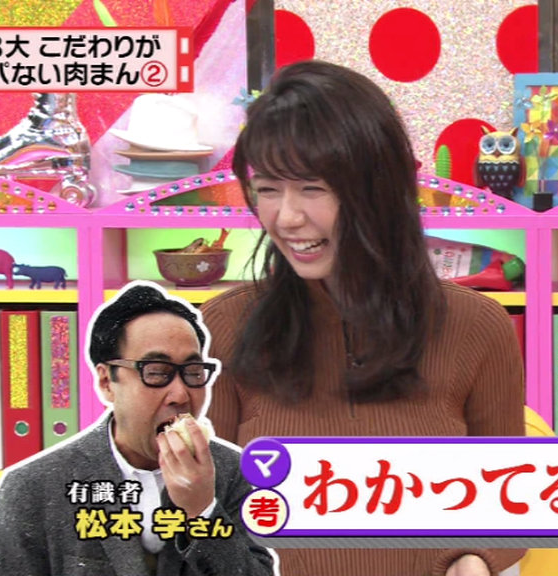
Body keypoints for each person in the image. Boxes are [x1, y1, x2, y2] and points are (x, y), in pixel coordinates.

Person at [201, 60, 527, 576]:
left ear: (378, 189)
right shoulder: (222, 327)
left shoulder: (477, 326)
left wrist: (476, 558)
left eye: (312, 188)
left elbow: (513, 500)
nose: (286, 217)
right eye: (267, 189)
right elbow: (198, 517)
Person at [0, 281, 277, 576]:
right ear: (106, 382)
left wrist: (201, 510)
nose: (180, 395)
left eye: (193, 372)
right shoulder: (31, 488)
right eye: (156, 373)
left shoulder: (232, 471)